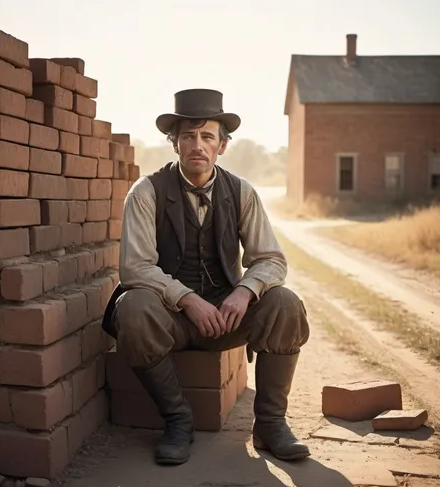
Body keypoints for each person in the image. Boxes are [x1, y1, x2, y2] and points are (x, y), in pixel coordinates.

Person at [102, 88, 310, 466]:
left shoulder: (242, 191)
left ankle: (270, 425)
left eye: (207, 136)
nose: (197, 145)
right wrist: (186, 299)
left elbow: (271, 260)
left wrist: (244, 291)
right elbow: (135, 267)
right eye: (188, 136)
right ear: (175, 144)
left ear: (222, 145)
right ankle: (178, 422)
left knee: (285, 303)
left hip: (229, 317)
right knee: (132, 306)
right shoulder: (146, 192)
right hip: (173, 320)